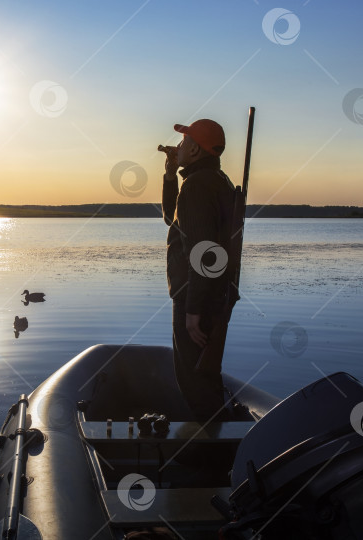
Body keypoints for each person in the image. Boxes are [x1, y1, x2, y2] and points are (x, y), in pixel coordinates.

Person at [161, 119, 236, 423]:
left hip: (197, 301)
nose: (177, 146)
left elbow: (204, 253)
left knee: (195, 382)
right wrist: (169, 175)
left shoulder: (197, 187)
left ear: (193, 149)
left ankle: (213, 459)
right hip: (210, 295)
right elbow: (172, 219)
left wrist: (192, 310)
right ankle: (219, 444)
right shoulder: (216, 180)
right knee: (204, 376)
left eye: (182, 142)